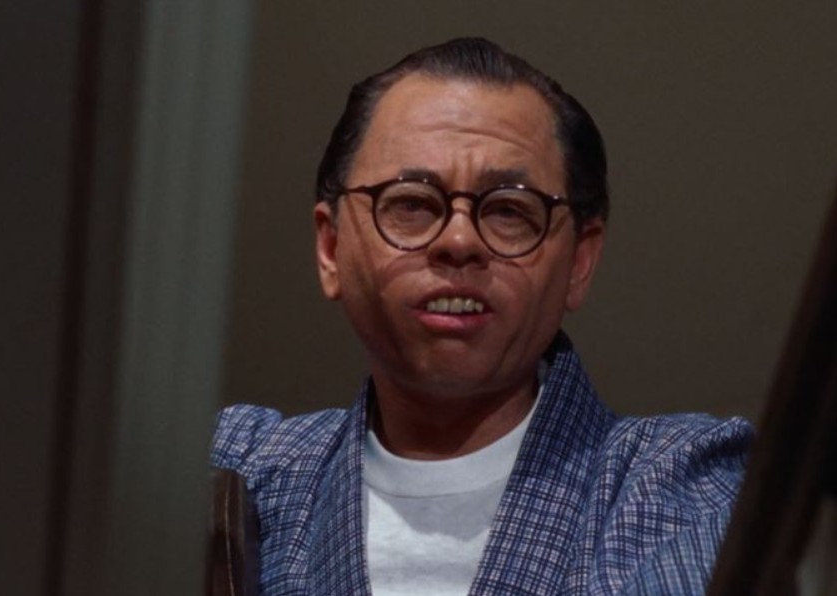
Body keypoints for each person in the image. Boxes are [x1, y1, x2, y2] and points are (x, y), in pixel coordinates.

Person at [211, 37, 752, 595]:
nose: (459, 241)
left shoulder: (680, 488)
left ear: (579, 261)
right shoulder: (242, 468)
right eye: (411, 203)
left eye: (509, 211)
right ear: (331, 249)